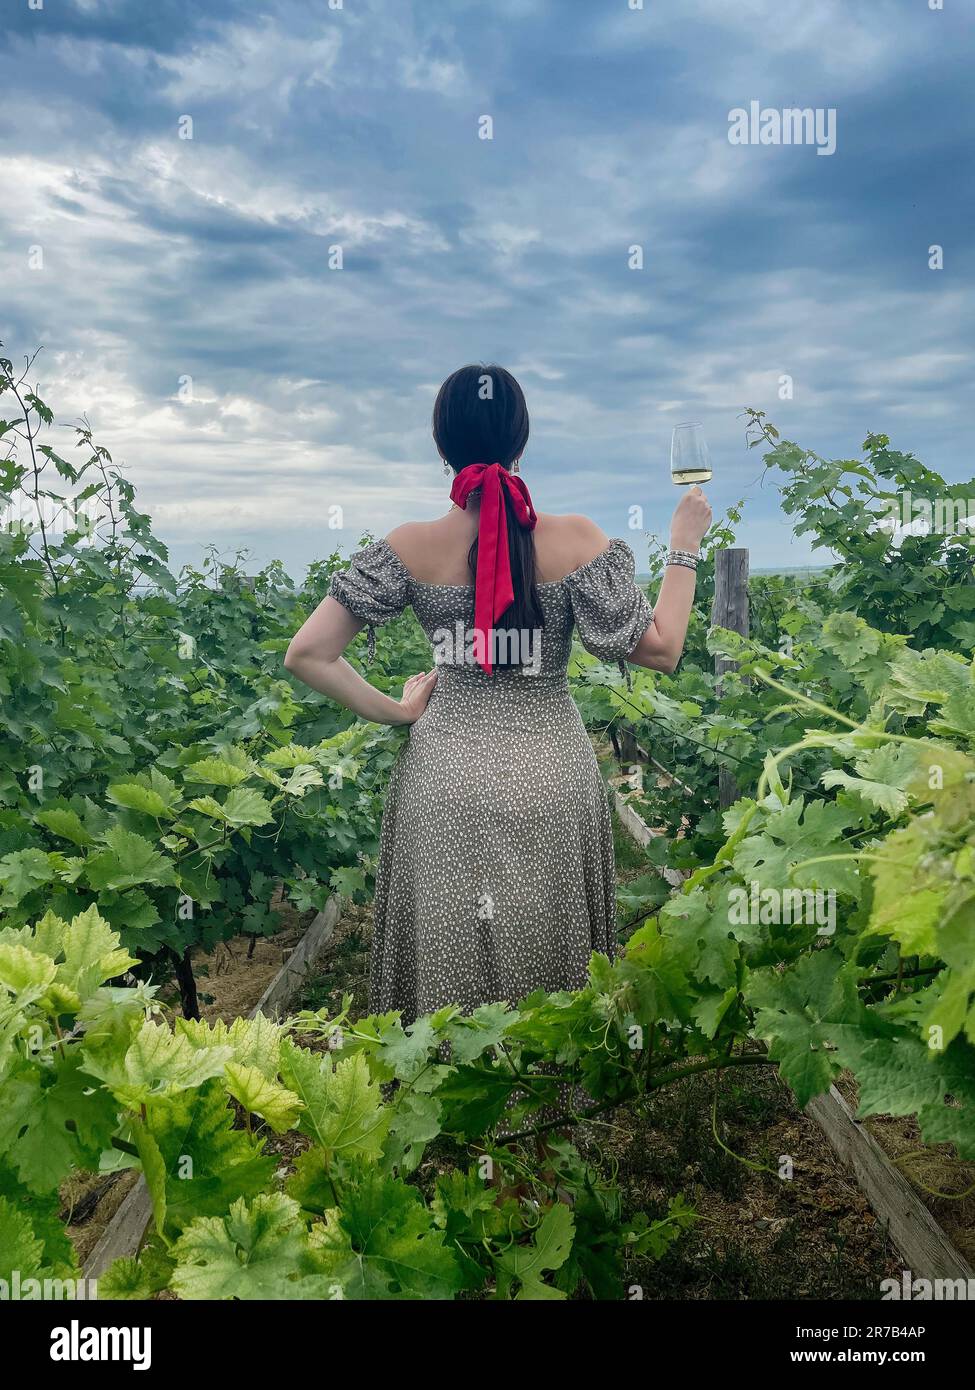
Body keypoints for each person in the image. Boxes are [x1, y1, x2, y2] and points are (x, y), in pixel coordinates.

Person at [284, 364, 711, 1026]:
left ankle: (446, 1095)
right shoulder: (573, 540)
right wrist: (683, 548)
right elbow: (662, 649)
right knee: (550, 955)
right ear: (521, 439)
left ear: (440, 443)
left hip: (443, 781)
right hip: (552, 776)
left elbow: (308, 653)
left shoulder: (408, 546)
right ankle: (544, 1104)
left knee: (450, 951)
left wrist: (398, 709)